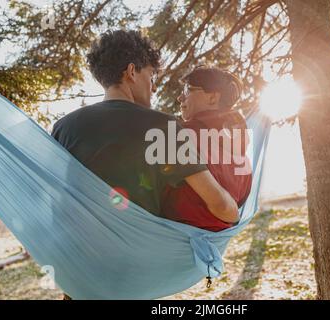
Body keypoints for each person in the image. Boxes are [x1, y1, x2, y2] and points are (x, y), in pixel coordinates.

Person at [51, 30, 239, 299]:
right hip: (134, 275)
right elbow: (218, 203)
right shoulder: (162, 127)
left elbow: (58, 203)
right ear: (131, 72)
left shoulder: (64, 128)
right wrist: (237, 213)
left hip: (78, 273)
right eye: (152, 76)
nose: (154, 86)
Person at [161, 67, 252, 232]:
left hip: (174, 238)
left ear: (212, 97)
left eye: (188, 90)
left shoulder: (182, 135)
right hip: (214, 244)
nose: (180, 97)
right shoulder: (244, 158)